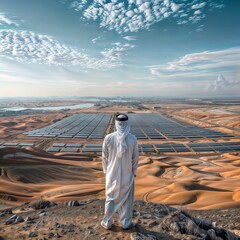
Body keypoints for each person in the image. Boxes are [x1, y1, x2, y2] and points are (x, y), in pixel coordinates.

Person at [101, 113, 139, 230]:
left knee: (111, 198)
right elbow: (135, 158)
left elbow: (104, 157)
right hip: (127, 174)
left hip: (112, 174)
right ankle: (126, 223)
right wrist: (134, 172)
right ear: (127, 124)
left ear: (116, 123)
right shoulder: (132, 139)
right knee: (127, 200)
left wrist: (107, 171)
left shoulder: (108, 138)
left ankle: (107, 222)